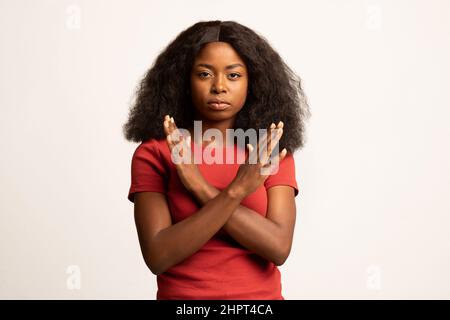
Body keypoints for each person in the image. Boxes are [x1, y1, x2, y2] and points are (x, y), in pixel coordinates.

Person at [123, 20, 310, 300]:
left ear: (253, 81)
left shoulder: (267, 149)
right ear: (184, 81)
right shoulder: (156, 153)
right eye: (204, 74)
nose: (219, 86)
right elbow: (158, 256)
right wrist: (235, 192)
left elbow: (278, 247)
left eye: (233, 75)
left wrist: (201, 187)